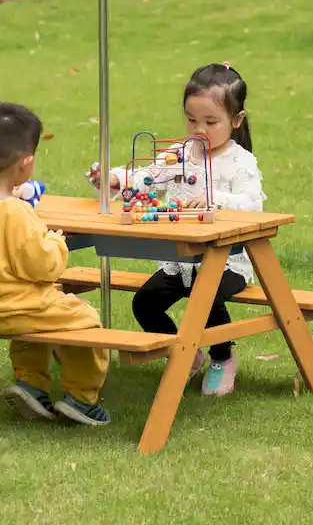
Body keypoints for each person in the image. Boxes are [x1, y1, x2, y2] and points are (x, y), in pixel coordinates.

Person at [95, 63, 265, 397]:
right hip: (182, 260)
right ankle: (185, 352)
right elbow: (147, 176)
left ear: (237, 120)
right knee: (144, 304)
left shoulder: (240, 162)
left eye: (210, 122)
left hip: (226, 262)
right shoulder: (180, 154)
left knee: (207, 298)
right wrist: (116, 178)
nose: (199, 129)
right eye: (191, 119)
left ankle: (222, 356)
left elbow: (253, 205)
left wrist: (216, 199)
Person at [0, 102, 110, 426]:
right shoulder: (16, 213)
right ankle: (82, 397)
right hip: (15, 308)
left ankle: (30, 383)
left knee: (37, 311)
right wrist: (54, 239)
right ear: (25, 163)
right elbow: (45, 267)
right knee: (85, 318)